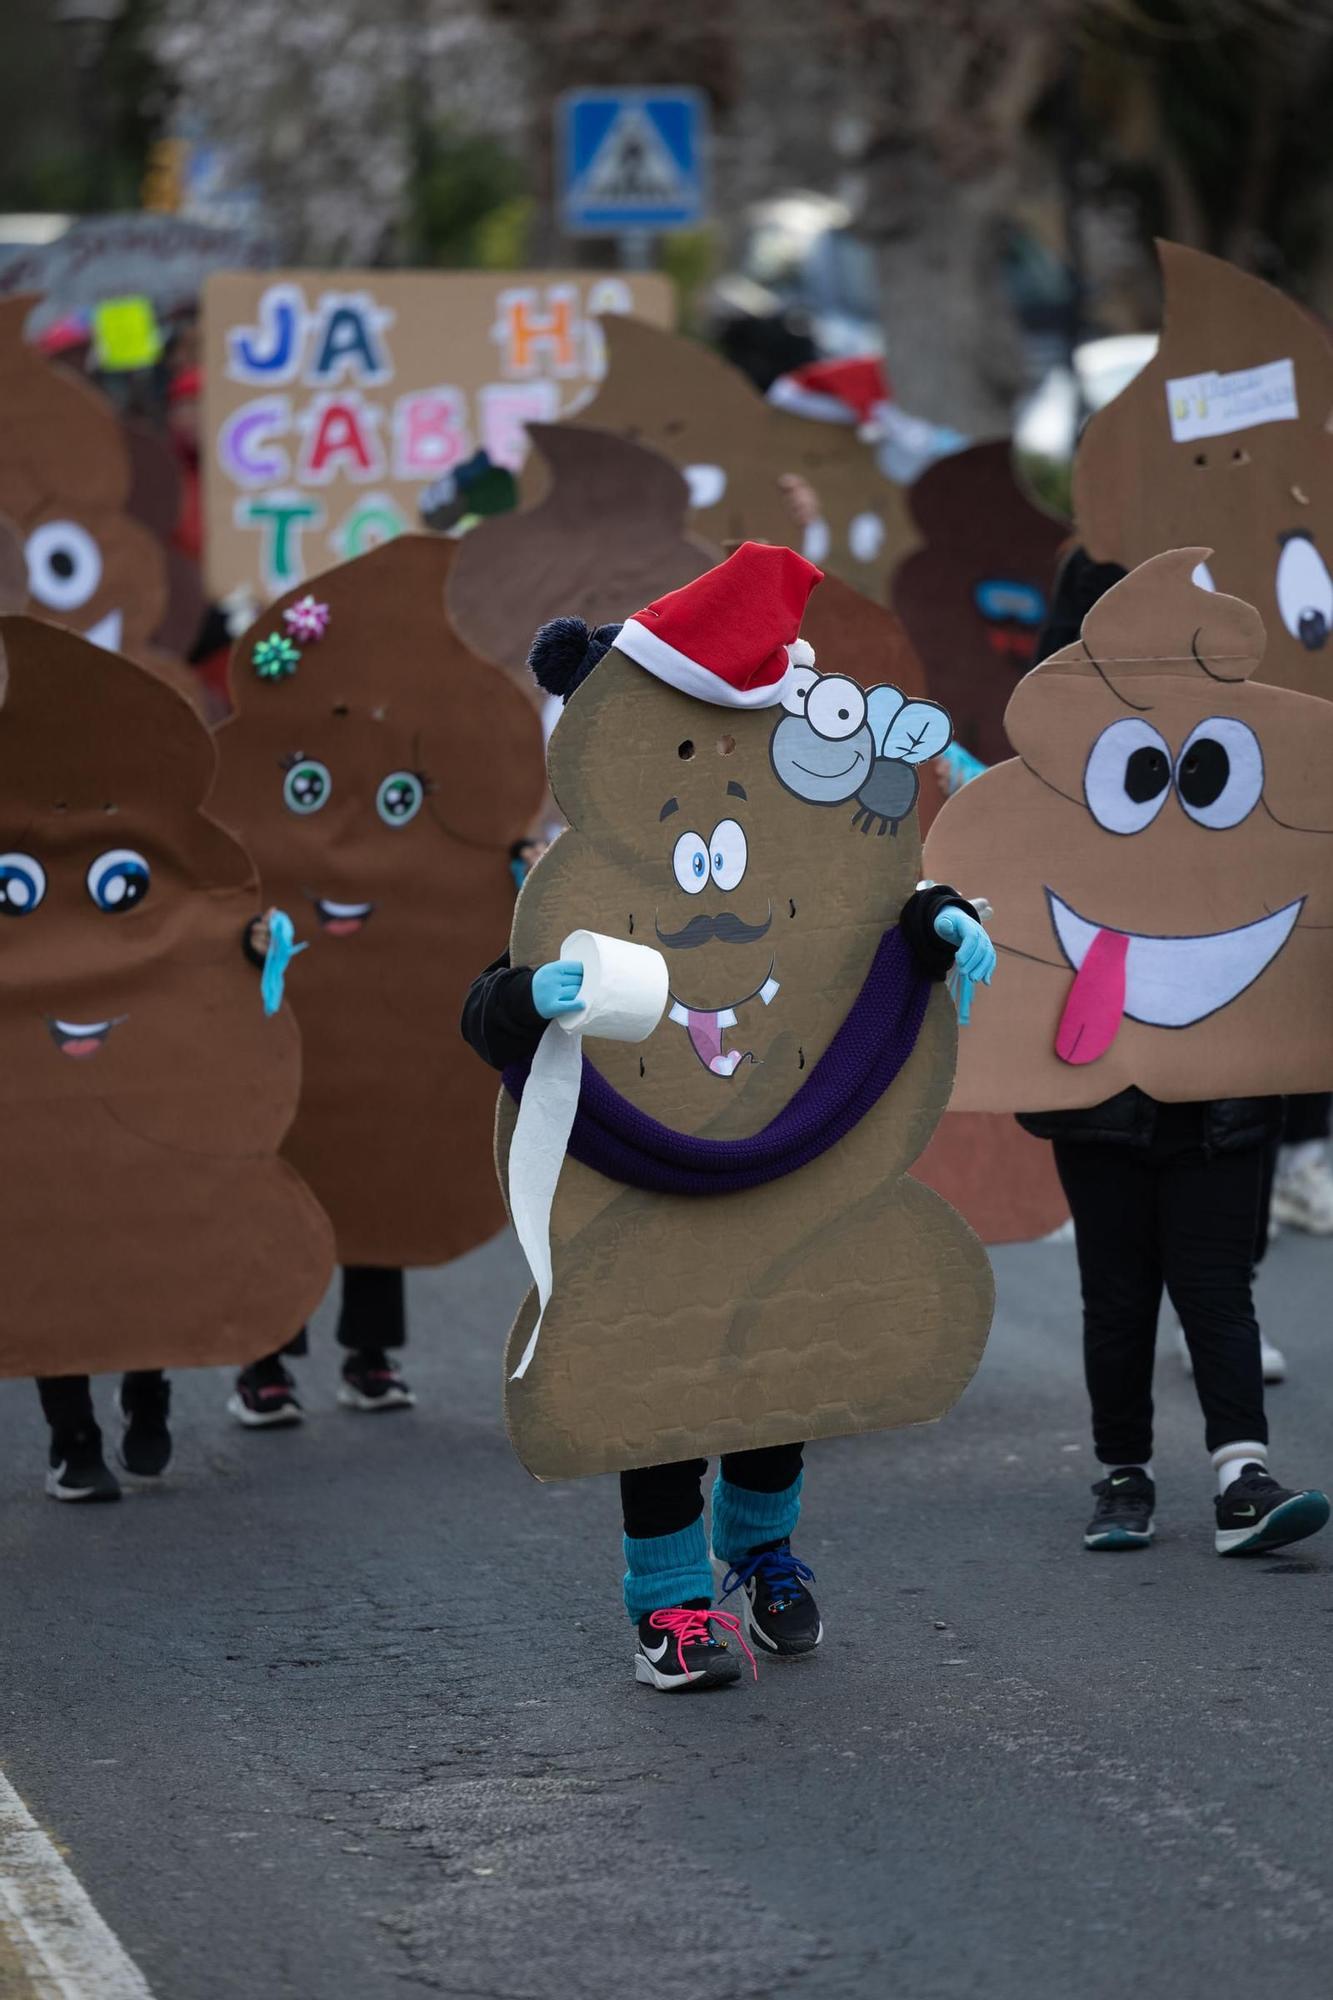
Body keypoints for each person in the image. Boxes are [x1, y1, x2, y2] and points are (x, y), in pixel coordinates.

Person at [462, 598, 996, 1691]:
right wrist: (527, 993)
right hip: (638, 1177)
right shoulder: (581, 875)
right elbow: (482, 1014)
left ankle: (763, 1553)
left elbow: (862, 924)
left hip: (783, 1149)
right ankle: (669, 1605)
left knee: (778, 1367)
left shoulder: (789, 843)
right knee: (655, 1378)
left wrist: (936, 919)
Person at [1018, 554, 1329, 1557]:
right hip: (1097, 1093)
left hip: (1220, 1093)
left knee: (1214, 1283)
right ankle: (1125, 1474)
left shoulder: (1253, 775)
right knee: (1116, 1294)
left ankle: (1242, 1471)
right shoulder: (1059, 789)